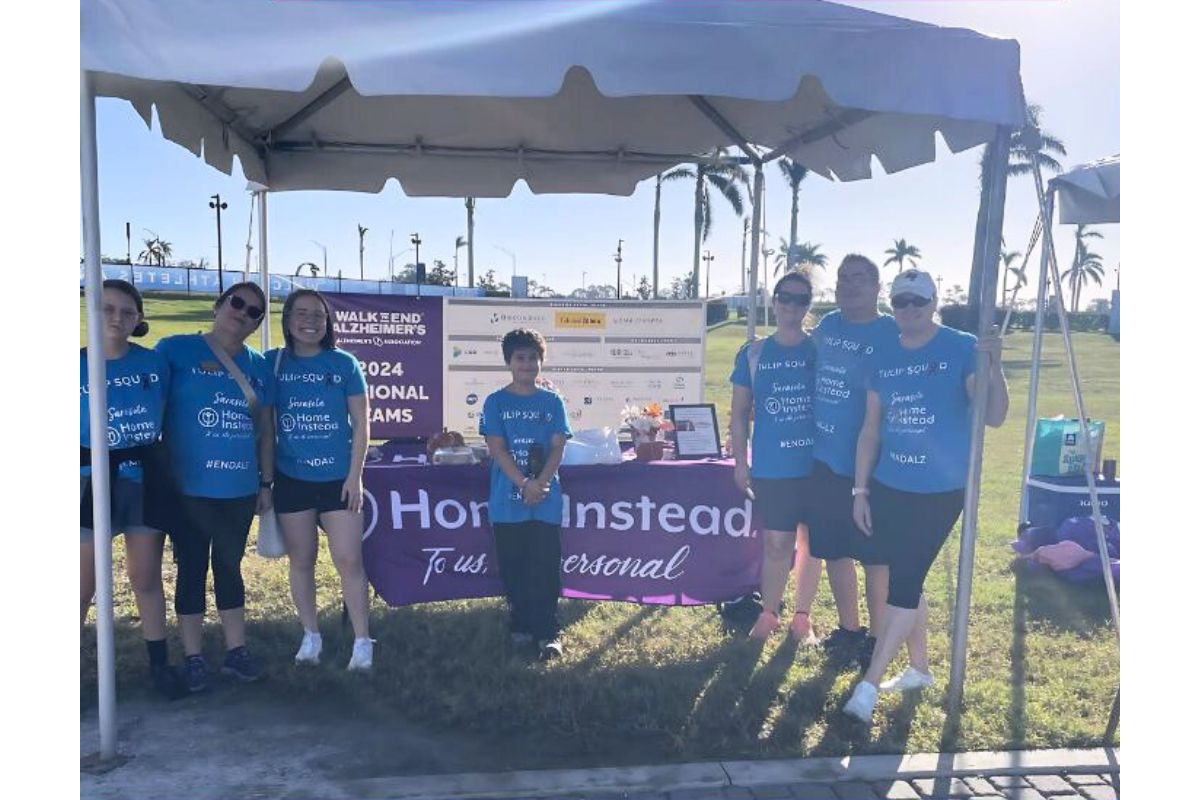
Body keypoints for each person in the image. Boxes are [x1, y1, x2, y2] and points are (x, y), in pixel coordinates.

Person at [842, 269, 1008, 722]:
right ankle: (918, 669)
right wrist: (860, 490)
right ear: (892, 307)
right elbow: (870, 429)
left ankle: (869, 685)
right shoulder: (883, 354)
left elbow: (993, 416)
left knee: (906, 580)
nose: (909, 310)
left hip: (941, 490)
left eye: (918, 301)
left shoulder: (960, 347)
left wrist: (993, 366)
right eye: (901, 302)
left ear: (933, 302)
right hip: (890, 484)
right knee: (905, 576)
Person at [156, 281, 275, 692]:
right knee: (190, 568)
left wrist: (265, 483)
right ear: (218, 305)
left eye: (254, 311)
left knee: (229, 567)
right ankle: (192, 657)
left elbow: (265, 433)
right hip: (188, 488)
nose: (242, 313)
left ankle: (235, 652)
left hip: (239, 489)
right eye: (236, 303)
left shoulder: (260, 366)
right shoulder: (174, 351)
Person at [81, 280, 184, 699]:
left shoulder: (154, 364)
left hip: (143, 482)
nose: (117, 318)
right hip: (88, 481)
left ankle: (159, 666)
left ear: (139, 319)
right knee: (81, 585)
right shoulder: (73, 364)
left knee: (145, 577)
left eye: (127, 311)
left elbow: (163, 416)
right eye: (107, 309)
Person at [267, 290, 374, 671]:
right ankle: (311, 635)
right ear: (288, 319)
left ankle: (363, 641)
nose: (310, 321)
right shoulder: (273, 363)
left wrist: (354, 476)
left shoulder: (344, 363)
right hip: (292, 479)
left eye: (318, 314)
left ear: (328, 322)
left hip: (338, 480)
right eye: (301, 313)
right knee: (302, 560)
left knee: (349, 560)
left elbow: (362, 424)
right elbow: (263, 422)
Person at [809, 255, 899, 667]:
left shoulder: (891, 332)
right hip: (825, 461)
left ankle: (878, 640)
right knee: (834, 551)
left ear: (877, 287)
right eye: (843, 279)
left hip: (874, 468)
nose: (848, 286)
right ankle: (849, 630)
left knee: (877, 557)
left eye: (858, 279)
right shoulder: (828, 326)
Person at [729, 271, 823, 643]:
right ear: (774, 300)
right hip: (772, 466)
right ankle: (769, 614)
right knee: (776, 544)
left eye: (801, 299)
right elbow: (738, 413)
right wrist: (740, 461)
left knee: (811, 544)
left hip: (818, 467)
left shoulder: (820, 351)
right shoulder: (753, 354)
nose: (792, 305)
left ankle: (803, 617)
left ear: (808, 305)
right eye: (785, 297)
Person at [480, 328, 572, 661]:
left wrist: (541, 483)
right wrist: (524, 484)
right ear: (509, 362)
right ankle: (519, 623)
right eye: (521, 358)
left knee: (545, 567)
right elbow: (498, 449)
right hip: (508, 500)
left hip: (545, 499)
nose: (527, 364)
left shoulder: (552, 401)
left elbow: (558, 447)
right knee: (514, 566)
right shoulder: (495, 402)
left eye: (533, 357)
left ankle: (548, 632)